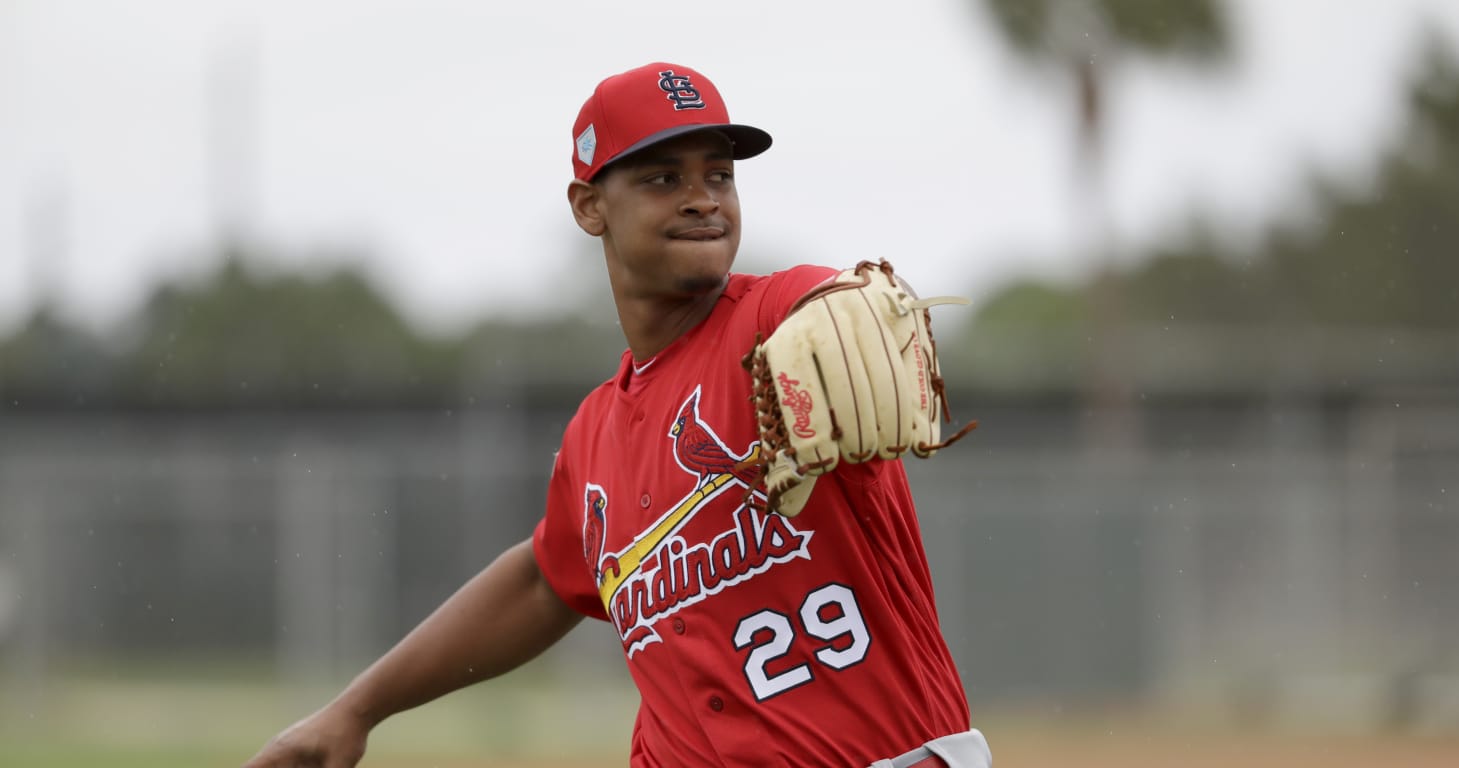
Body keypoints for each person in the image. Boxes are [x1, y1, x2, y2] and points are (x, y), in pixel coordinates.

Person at [242, 62, 989, 768]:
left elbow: (830, 303)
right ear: (589, 205)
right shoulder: (596, 432)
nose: (703, 198)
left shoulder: (775, 327)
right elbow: (545, 581)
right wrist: (356, 710)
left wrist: (847, 308)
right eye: (665, 177)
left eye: (719, 176)